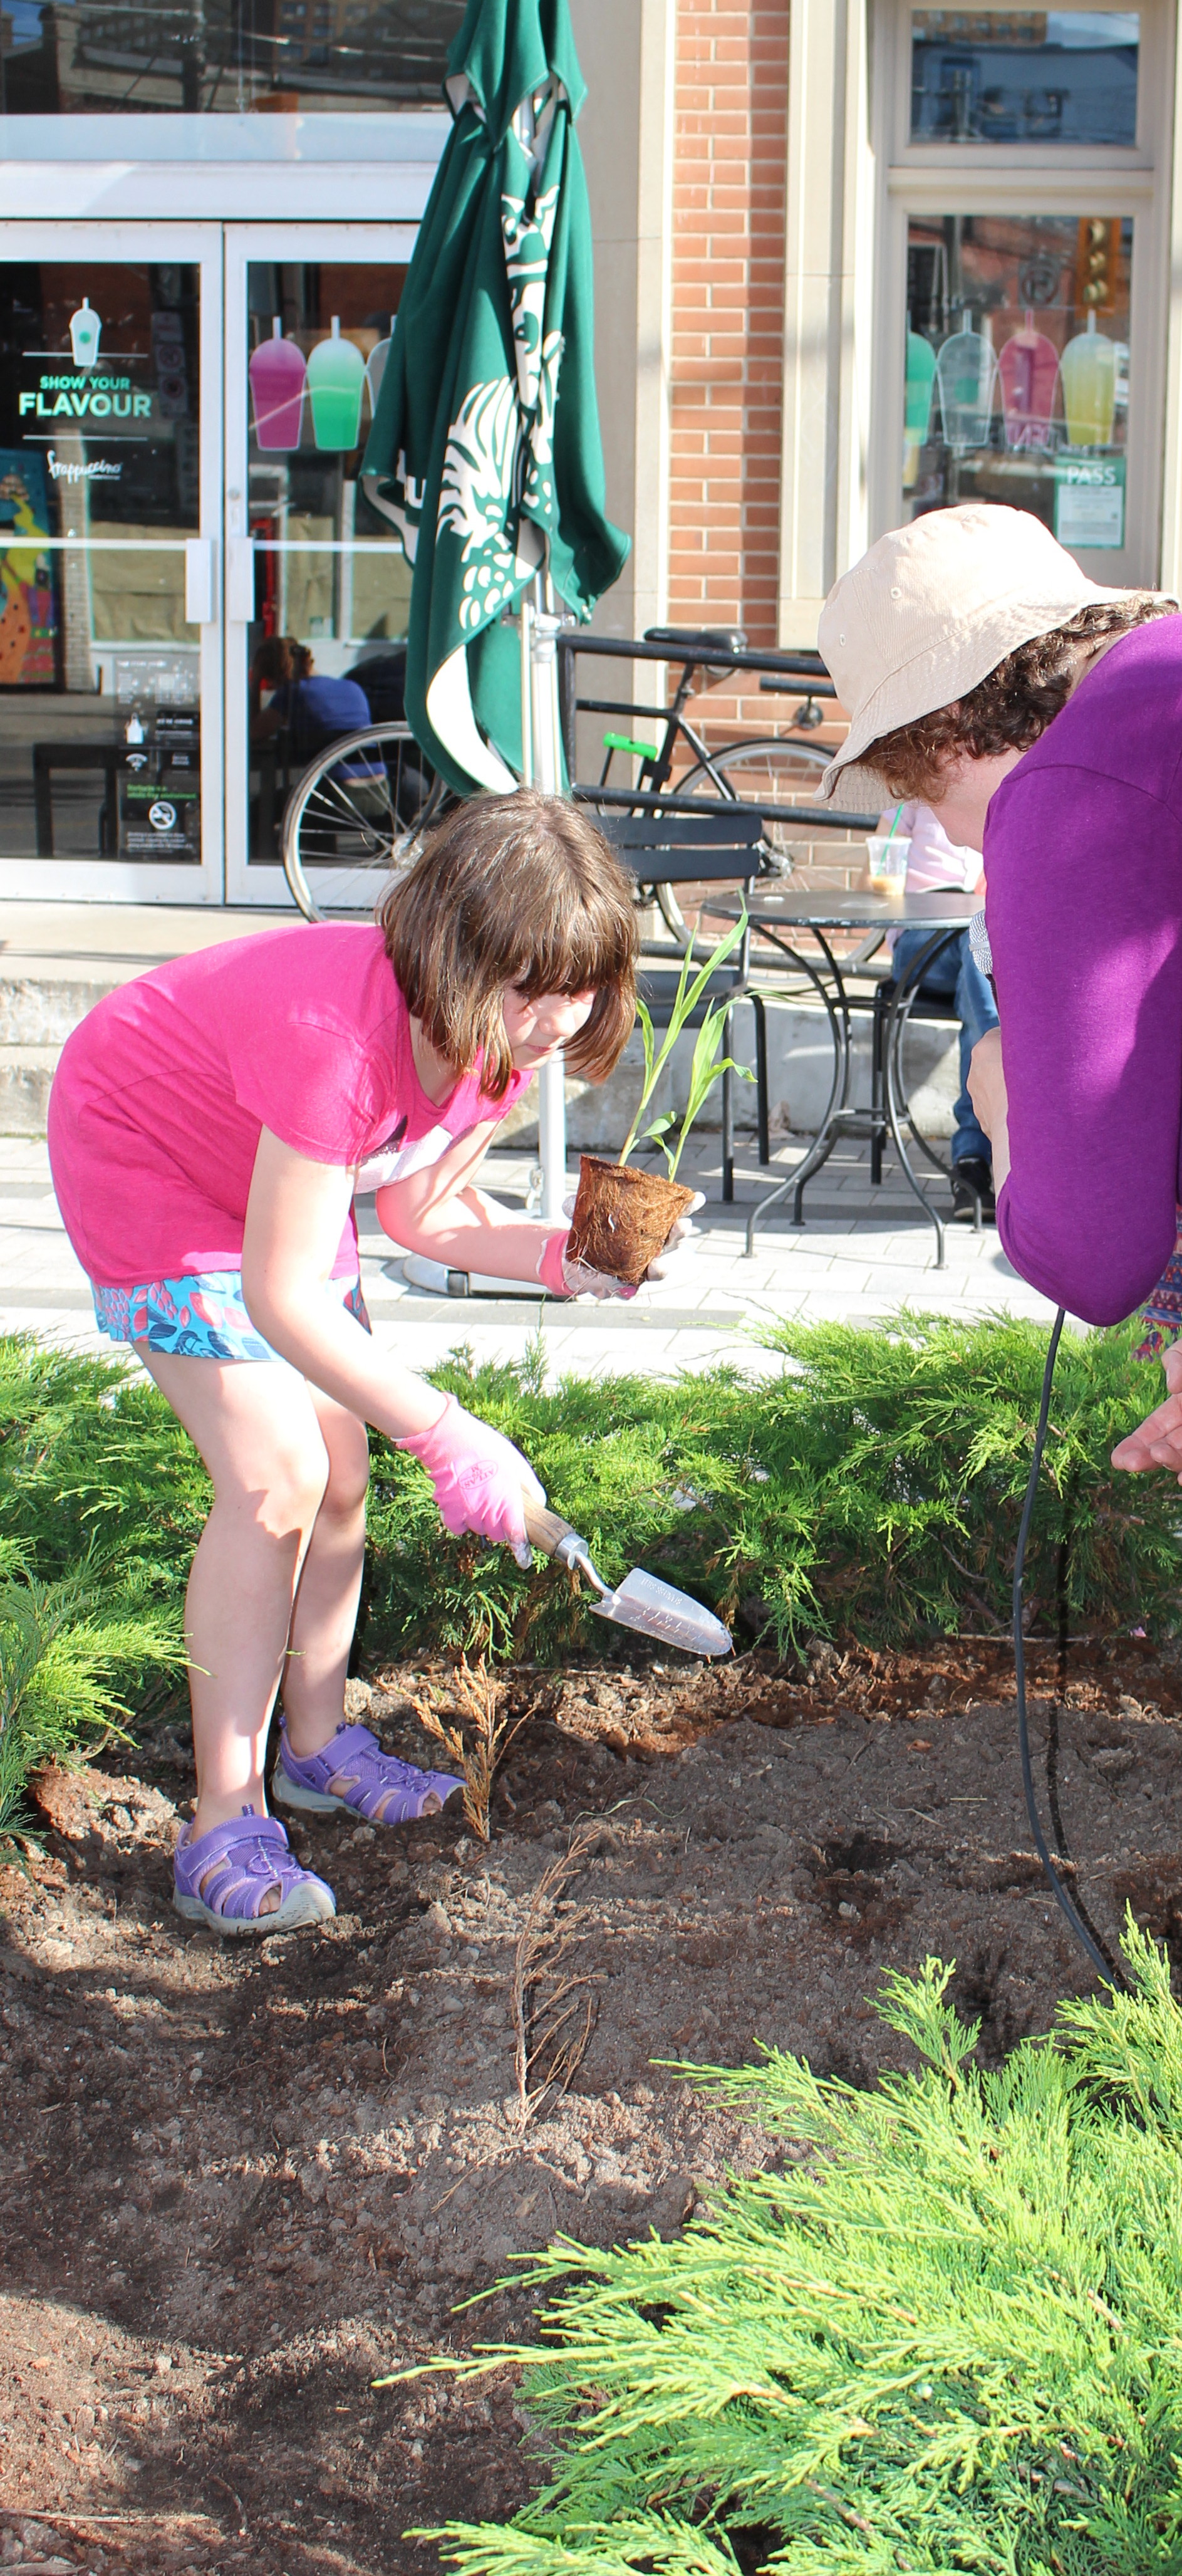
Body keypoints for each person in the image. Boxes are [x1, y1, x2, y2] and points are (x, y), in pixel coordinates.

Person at [47, 790, 680, 1936]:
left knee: (343, 1470)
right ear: (446, 953)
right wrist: (445, 1429)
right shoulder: (333, 1041)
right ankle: (220, 1825)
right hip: (145, 1147)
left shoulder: (494, 1045)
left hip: (266, 1169)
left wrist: (556, 1257)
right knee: (277, 1477)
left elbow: (422, 1214)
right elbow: (284, 1295)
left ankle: (316, 1743)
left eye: (577, 987)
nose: (552, 1020)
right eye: (528, 988)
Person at [816, 499, 1182, 1480]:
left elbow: (1090, 1253)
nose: (963, 837)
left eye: (923, 793)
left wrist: (1001, 1105)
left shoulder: (1067, 794)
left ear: (942, 734)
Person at [874, 799, 998, 1221]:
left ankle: (973, 1165)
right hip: (920, 940)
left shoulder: (999, 787)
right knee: (976, 950)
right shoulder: (911, 787)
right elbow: (880, 866)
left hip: (978, 939)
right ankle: (990, 1150)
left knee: (975, 949)